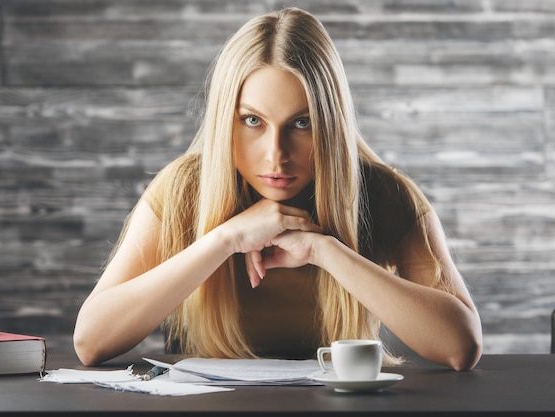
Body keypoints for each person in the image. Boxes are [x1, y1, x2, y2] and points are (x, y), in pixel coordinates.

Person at [73, 7, 483, 371]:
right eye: (253, 121)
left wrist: (324, 250)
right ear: (225, 122)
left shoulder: (384, 194)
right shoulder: (183, 190)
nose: (276, 155)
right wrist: (225, 239)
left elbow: (461, 347)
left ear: (331, 124)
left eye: (301, 123)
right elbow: (90, 342)